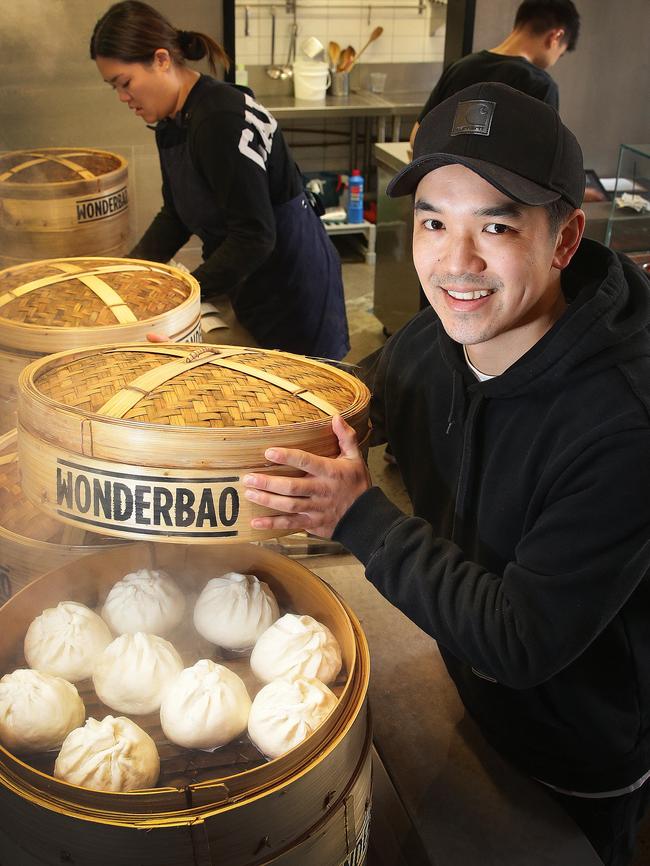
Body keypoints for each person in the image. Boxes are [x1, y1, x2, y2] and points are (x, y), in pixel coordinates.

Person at [242, 82, 650, 866]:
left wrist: (359, 517)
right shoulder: (437, 335)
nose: (455, 263)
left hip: (574, 749)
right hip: (463, 688)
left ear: (565, 239)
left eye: (495, 226)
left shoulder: (623, 425)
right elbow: (370, 396)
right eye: (433, 222)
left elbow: (520, 639)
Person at [90, 1, 349, 360]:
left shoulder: (218, 119)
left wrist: (182, 294)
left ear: (162, 60)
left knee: (305, 395)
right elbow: (177, 213)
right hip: (251, 281)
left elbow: (254, 236)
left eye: (125, 83)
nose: (123, 97)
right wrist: (130, 271)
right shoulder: (172, 122)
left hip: (292, 286)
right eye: (114, 87)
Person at [409, 0, 580, 149]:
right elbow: (540, 159)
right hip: (499, 188)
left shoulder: (460, 67)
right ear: (555, 36)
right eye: (561, 53)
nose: (556, 59)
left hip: (442, 183)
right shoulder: (541, 86)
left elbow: (417, 137)